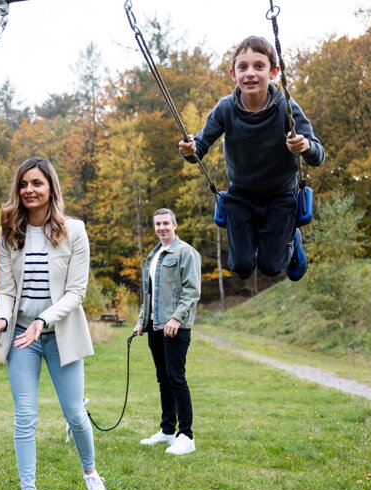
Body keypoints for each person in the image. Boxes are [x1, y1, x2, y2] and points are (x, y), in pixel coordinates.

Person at [0, 157, 108, 490]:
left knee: (75, 415)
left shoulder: (74, 230)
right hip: (23, 338)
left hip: (60, 336)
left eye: (36, 183)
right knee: (24, 417)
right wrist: (3, 318)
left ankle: (90, 473)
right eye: (23, 184)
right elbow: (6, 290)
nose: (29, 190)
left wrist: (42, 320)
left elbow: (76, 292)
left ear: (51, 187)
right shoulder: (10, 232)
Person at [179, 35, 325, 282]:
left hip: (281, 195)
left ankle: (292, 240)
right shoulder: (225, 108)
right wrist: (188, 150)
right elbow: (199, 148)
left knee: (271, 266)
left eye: (259, 66)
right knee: (241, 266)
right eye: (243, 67)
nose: (250, 73)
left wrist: (305, 145)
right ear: (233, 74)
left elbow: (318, 156)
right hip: (241, 195)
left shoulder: (285, 108)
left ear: (274, 71)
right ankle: (257, 234)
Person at [134, 208, 201, 455]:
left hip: (176, 327)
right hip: (155, 326)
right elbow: (149, 294)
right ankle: (166, 431)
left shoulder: (186, 253)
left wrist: (176, 318)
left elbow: (192, 291)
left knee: (176, 379)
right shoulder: (154, 255)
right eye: (157, 224)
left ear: (175, 225)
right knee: (163, 380)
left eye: (165, 223)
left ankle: (186, 436)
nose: (161, 227)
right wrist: (142, 321)